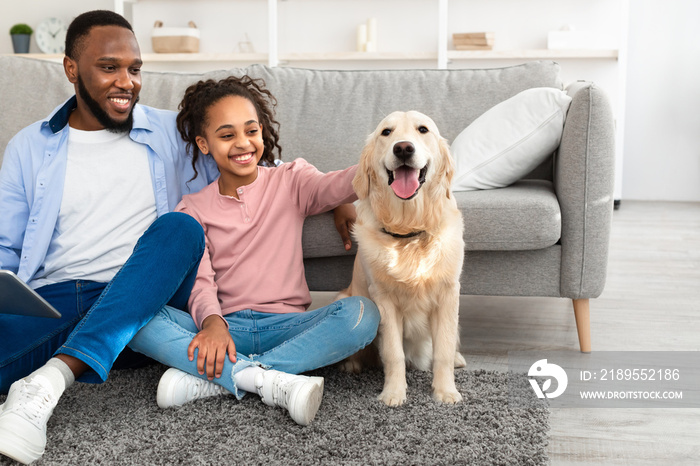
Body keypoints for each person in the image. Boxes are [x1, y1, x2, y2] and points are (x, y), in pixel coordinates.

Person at [0, 10, 356, 465]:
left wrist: (337, 196)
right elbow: (7, 250)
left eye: (135, 69)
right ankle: (244, 378)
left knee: (179, 228)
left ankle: (47, 384)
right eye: (109, 68)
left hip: (152, 298)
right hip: (59, 300)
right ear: (71, 69)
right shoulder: (29, 147)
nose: (126, 81)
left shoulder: (174, 131)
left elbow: (250, 166)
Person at [127, 76, 380, 427]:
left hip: (288, 325)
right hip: (226, 329)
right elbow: (200, 281)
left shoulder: (291, 180)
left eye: (251, 131)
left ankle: (223, 379)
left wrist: (379, 161)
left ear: (262, 132)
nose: (243, 144)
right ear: (204, 143)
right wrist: (213, 325)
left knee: (362, 314)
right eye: (227, 135)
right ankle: (269, 379)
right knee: (138, 319)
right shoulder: (192, 208)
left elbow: (335, 185)